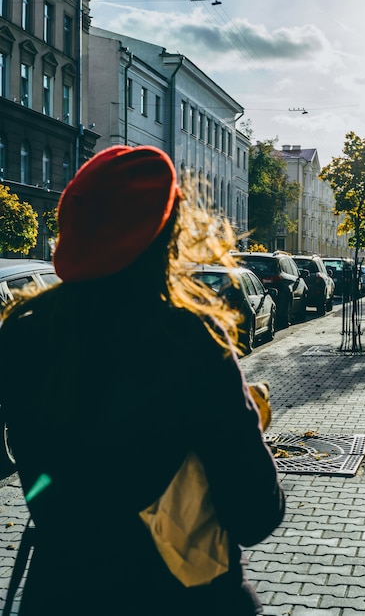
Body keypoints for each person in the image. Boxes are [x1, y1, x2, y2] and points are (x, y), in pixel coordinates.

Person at [0, 145, 285, 616]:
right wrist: (247, 419)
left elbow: (43, 482)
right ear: (166, 234)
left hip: (63, 594)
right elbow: (256, 513)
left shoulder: (24, 331)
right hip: (183, 598)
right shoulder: (187, 339)